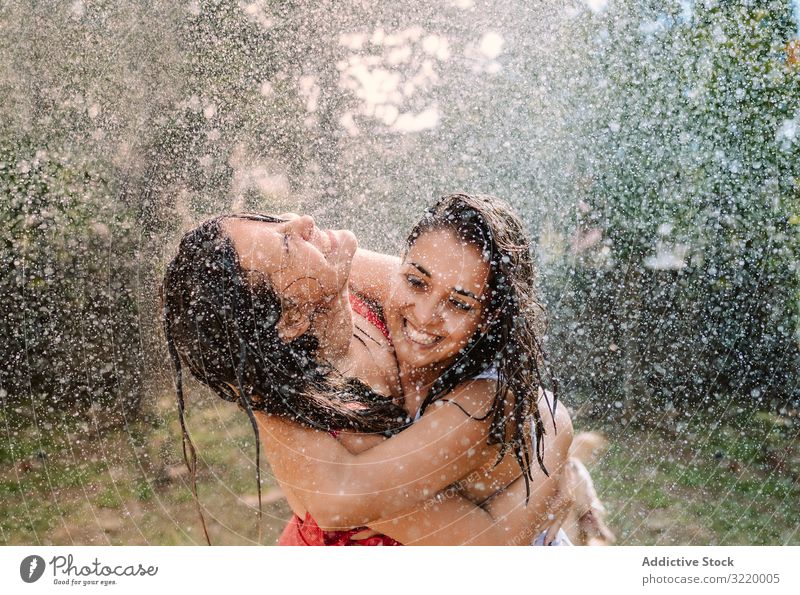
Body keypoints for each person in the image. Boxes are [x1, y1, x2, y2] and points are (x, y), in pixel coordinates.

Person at [162, 196, 572, 545]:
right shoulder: (309, 412)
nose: (300, 221)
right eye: (286, 245)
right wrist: (556, 446)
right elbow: (490, 545)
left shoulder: (341, 273)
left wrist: (552, 432)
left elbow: (450, 282)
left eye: (273, 221)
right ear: (287, 320)